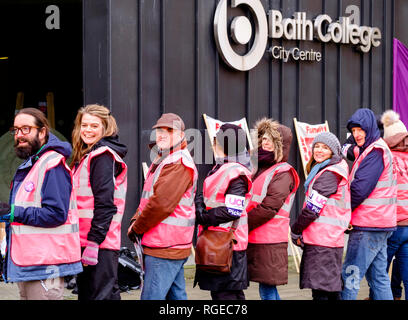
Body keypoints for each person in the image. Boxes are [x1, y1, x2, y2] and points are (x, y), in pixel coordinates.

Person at [0, 107, 82, 300]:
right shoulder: (33, 164)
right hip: (31, 263)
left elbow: (55, 214)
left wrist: (12, 212)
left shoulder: (52, 165)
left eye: (26, 129)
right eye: (16, 130)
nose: (19, 135)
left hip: (46, 267)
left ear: (43, 132)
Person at [127, 113, 198, 300]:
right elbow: (149, 199)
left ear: (182, 134)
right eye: (159, 130)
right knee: (176, 297)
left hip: (165, 245)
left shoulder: (177, 162)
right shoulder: (165, 159)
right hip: (168, 244)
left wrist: (137, 227)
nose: (162, 134)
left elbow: (161, 204)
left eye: (169, 130)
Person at [71, 104, 128, 300]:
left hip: (98, 243)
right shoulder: (88, 155)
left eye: (94, 126)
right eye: (84, 125)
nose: (87, 130)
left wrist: (94, 242)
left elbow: (105, 204)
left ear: (106, 128)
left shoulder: (101, 156)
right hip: (91, 241)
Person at [341, 108, 397, 300]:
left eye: (360, 130)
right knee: (378, 278)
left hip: (367, 225)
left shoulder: (374, 152)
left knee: (350, 276)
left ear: (370, 128)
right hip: (380, 224)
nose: (356, 134)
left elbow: (358, 190)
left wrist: (343, 214)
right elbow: (347, 145)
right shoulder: (373, 148)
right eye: (353, 130)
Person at [194, 123, 252, 300]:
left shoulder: (235, 172)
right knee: (229, 294)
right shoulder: (222, 167)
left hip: (228, 244)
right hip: (219, 241)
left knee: (225, 295)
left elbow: (233, 210)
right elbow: (209, 196)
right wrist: (198, 203)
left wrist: (204, 216)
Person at [291, 132, 351, 300]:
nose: (319, 150)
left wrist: (295, 229)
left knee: (321, 293)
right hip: (327, 240)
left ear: (333, 152)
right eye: (317, 146)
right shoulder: (328, 169)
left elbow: (312, 209)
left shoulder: (330, 173)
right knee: (329, 291)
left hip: (323, 242)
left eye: (325, 148)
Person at [246, 118, 299, 300]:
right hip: (257, 236)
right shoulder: (258, 167)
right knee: (266, 288)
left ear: (280, 145)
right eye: (263, 138)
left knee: (267, 289)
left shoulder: (283, 172)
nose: (265, 142)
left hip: (269, 239)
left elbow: (270, 207)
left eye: (270, 139)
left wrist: (242, 224)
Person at [381, 109, 408, 300]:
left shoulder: (386, 157)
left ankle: (382, 296)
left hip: (393, 223)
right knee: (406, 270)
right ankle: (397, 294)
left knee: (379, 269)